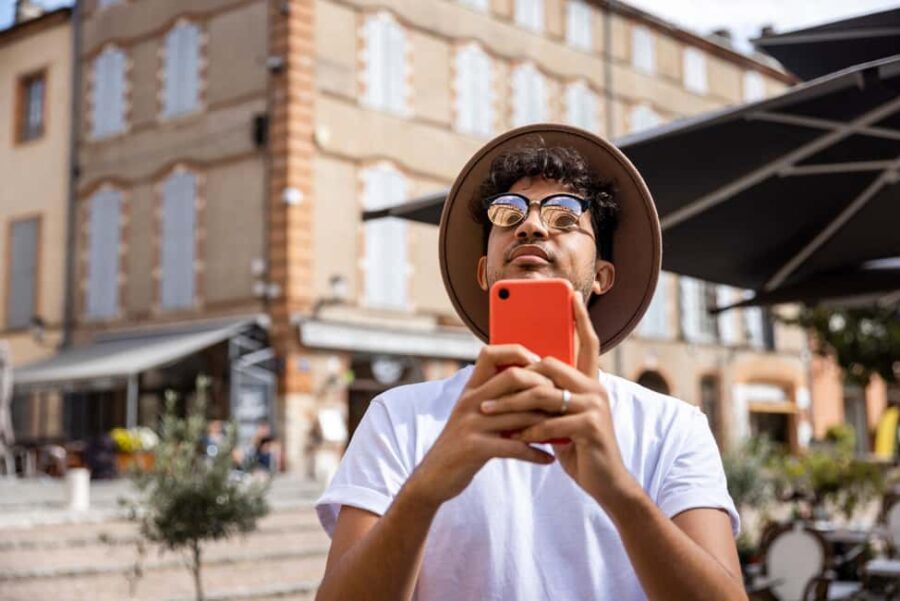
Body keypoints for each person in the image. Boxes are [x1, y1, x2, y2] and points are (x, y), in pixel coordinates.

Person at [315, 124, 744, 600]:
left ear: (602, 275)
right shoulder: (399, 418)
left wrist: (620, 494)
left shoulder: (672, 428)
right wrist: (425, 492)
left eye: (564, 218)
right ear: (484, 271)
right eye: (508, 214)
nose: (532, 225)